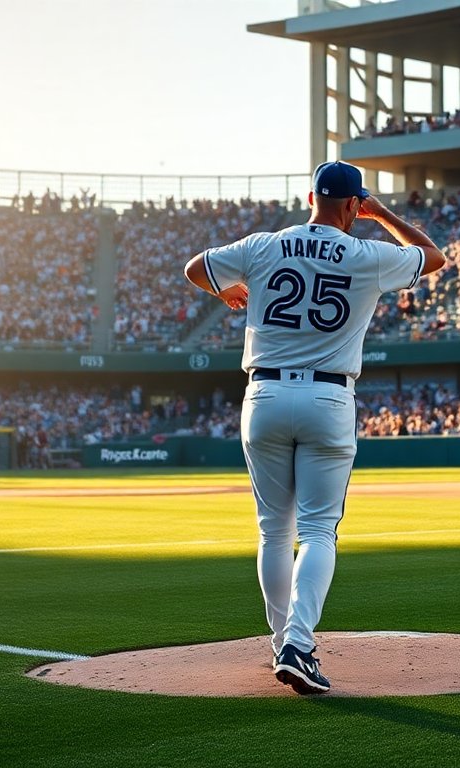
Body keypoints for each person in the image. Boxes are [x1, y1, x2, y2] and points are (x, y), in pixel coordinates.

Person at [183, 161, 445, 695]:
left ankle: (282, 642)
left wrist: (225, 294)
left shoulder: (263, 245)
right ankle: (299, 644)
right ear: (354, 205)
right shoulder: (367, 254)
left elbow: (194, 268)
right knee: (319, 529)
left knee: (272, 530)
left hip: (265, 394)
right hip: (328, 396)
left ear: (309, 198)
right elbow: (435, 256)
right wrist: (383, 214)